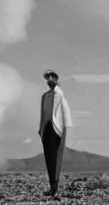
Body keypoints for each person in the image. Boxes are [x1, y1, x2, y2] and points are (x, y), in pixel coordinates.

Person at [39, 69, 73, 198]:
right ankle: (51, 185)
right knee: (49, 157)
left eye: (51, 77)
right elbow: (42, 113)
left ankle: (55, 186)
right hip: (46, 128)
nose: (49, 79)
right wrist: (40, 128)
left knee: (56, 157)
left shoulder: (60, 94)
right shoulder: (45, 96)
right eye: (47, 77)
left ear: (56, 79)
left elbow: (64, 112)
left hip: (57, 128)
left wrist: (64, 128)